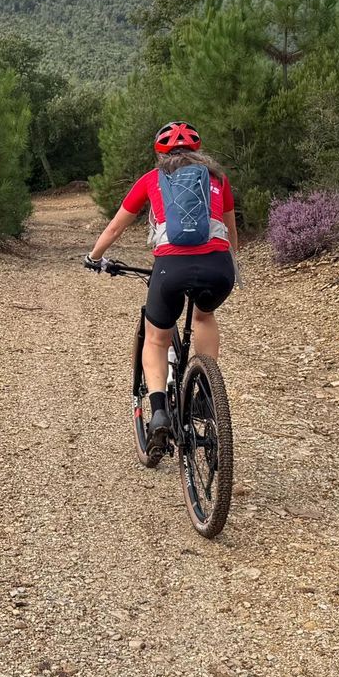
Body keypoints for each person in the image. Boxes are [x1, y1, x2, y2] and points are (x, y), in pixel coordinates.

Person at [84, 122, 238, 439]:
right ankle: (206, 394)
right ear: (197, 151)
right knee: (203, 315)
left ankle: (158, 414)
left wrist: (95, 257)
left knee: (156, 338)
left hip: (172, 268)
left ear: (159, 153)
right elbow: (231, 233)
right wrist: (227, 262)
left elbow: (114, 228)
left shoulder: (152, 179)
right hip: (219, 267)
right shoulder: (218, 179)